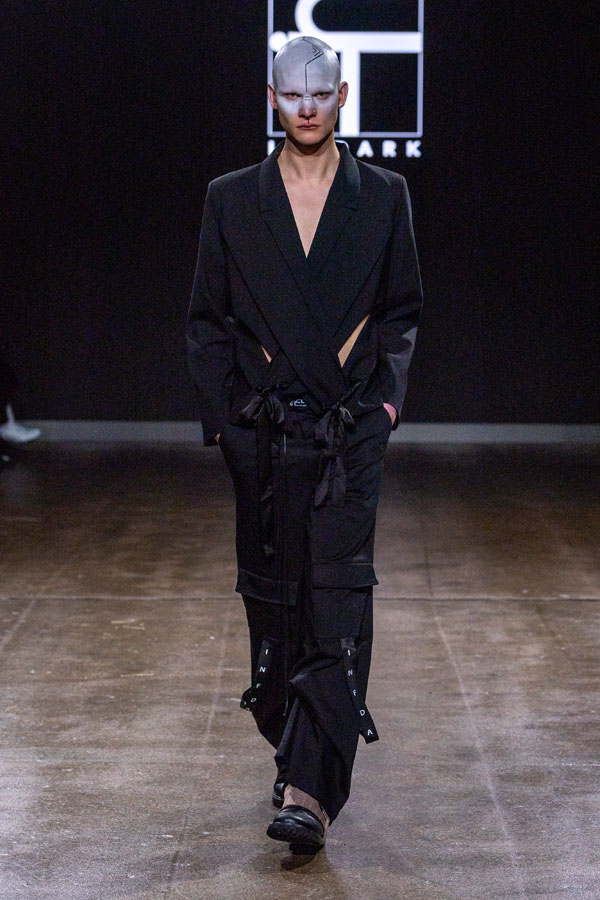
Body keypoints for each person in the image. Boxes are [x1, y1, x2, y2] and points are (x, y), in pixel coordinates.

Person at [186, 35, 423, 855]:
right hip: (263, 435)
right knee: (273, 597)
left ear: (343, 95)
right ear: (273, 97)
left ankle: (312, 791)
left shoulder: (383, 195)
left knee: (336, 595)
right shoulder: (231, 199)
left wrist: (384, 407)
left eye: (322, 94)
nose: (308, 108)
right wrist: (228, 422)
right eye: (294, 95)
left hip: (347, 432)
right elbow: (206, 321)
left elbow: (401, 312)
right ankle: (291, 749)